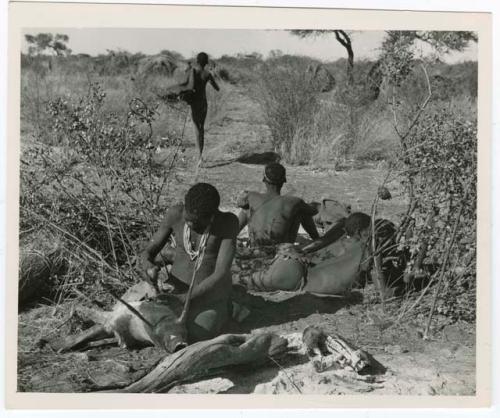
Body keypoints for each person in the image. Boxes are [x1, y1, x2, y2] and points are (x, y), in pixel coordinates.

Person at [139, 183, 238, 342]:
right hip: (174, 293)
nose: (190, 225)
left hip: (208, 299)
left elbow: (221, 272)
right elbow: (148, 251)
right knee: (142, 319)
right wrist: (147, 265)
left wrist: (185, 299)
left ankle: (224, 311)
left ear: (212, 216)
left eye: (197, 222)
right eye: (188, 219)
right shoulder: (175, 214)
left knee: (199, 332)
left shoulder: (227, 223)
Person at [235, 212, 374, 295]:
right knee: (241, 279)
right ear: (359, 232)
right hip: (297, 272)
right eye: (368, 230)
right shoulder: (360, 249)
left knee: (243, 265)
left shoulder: (339, 240)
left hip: (292, 256)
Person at [236, 162, 320, 246]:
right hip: (280, 252)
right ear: (284, 181)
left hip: (255, 251)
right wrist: (314, 205)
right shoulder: (294, 202)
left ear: (264, 180)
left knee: (247, 208)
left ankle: (234, 233)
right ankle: (317, 240)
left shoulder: (251, 196)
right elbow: (314, 211)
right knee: (301, 211)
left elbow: (240, 202)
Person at [184, 52, 220, 167]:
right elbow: (217, 88)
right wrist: (213, 75)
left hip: (194, 103)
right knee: (201, 128)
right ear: (206, 62)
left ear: (197, 61)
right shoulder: (207, 74)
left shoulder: (193, 72)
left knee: (196, 129)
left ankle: (199, 157)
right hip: (203, 103)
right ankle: (200, 156)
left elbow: (186, 85)